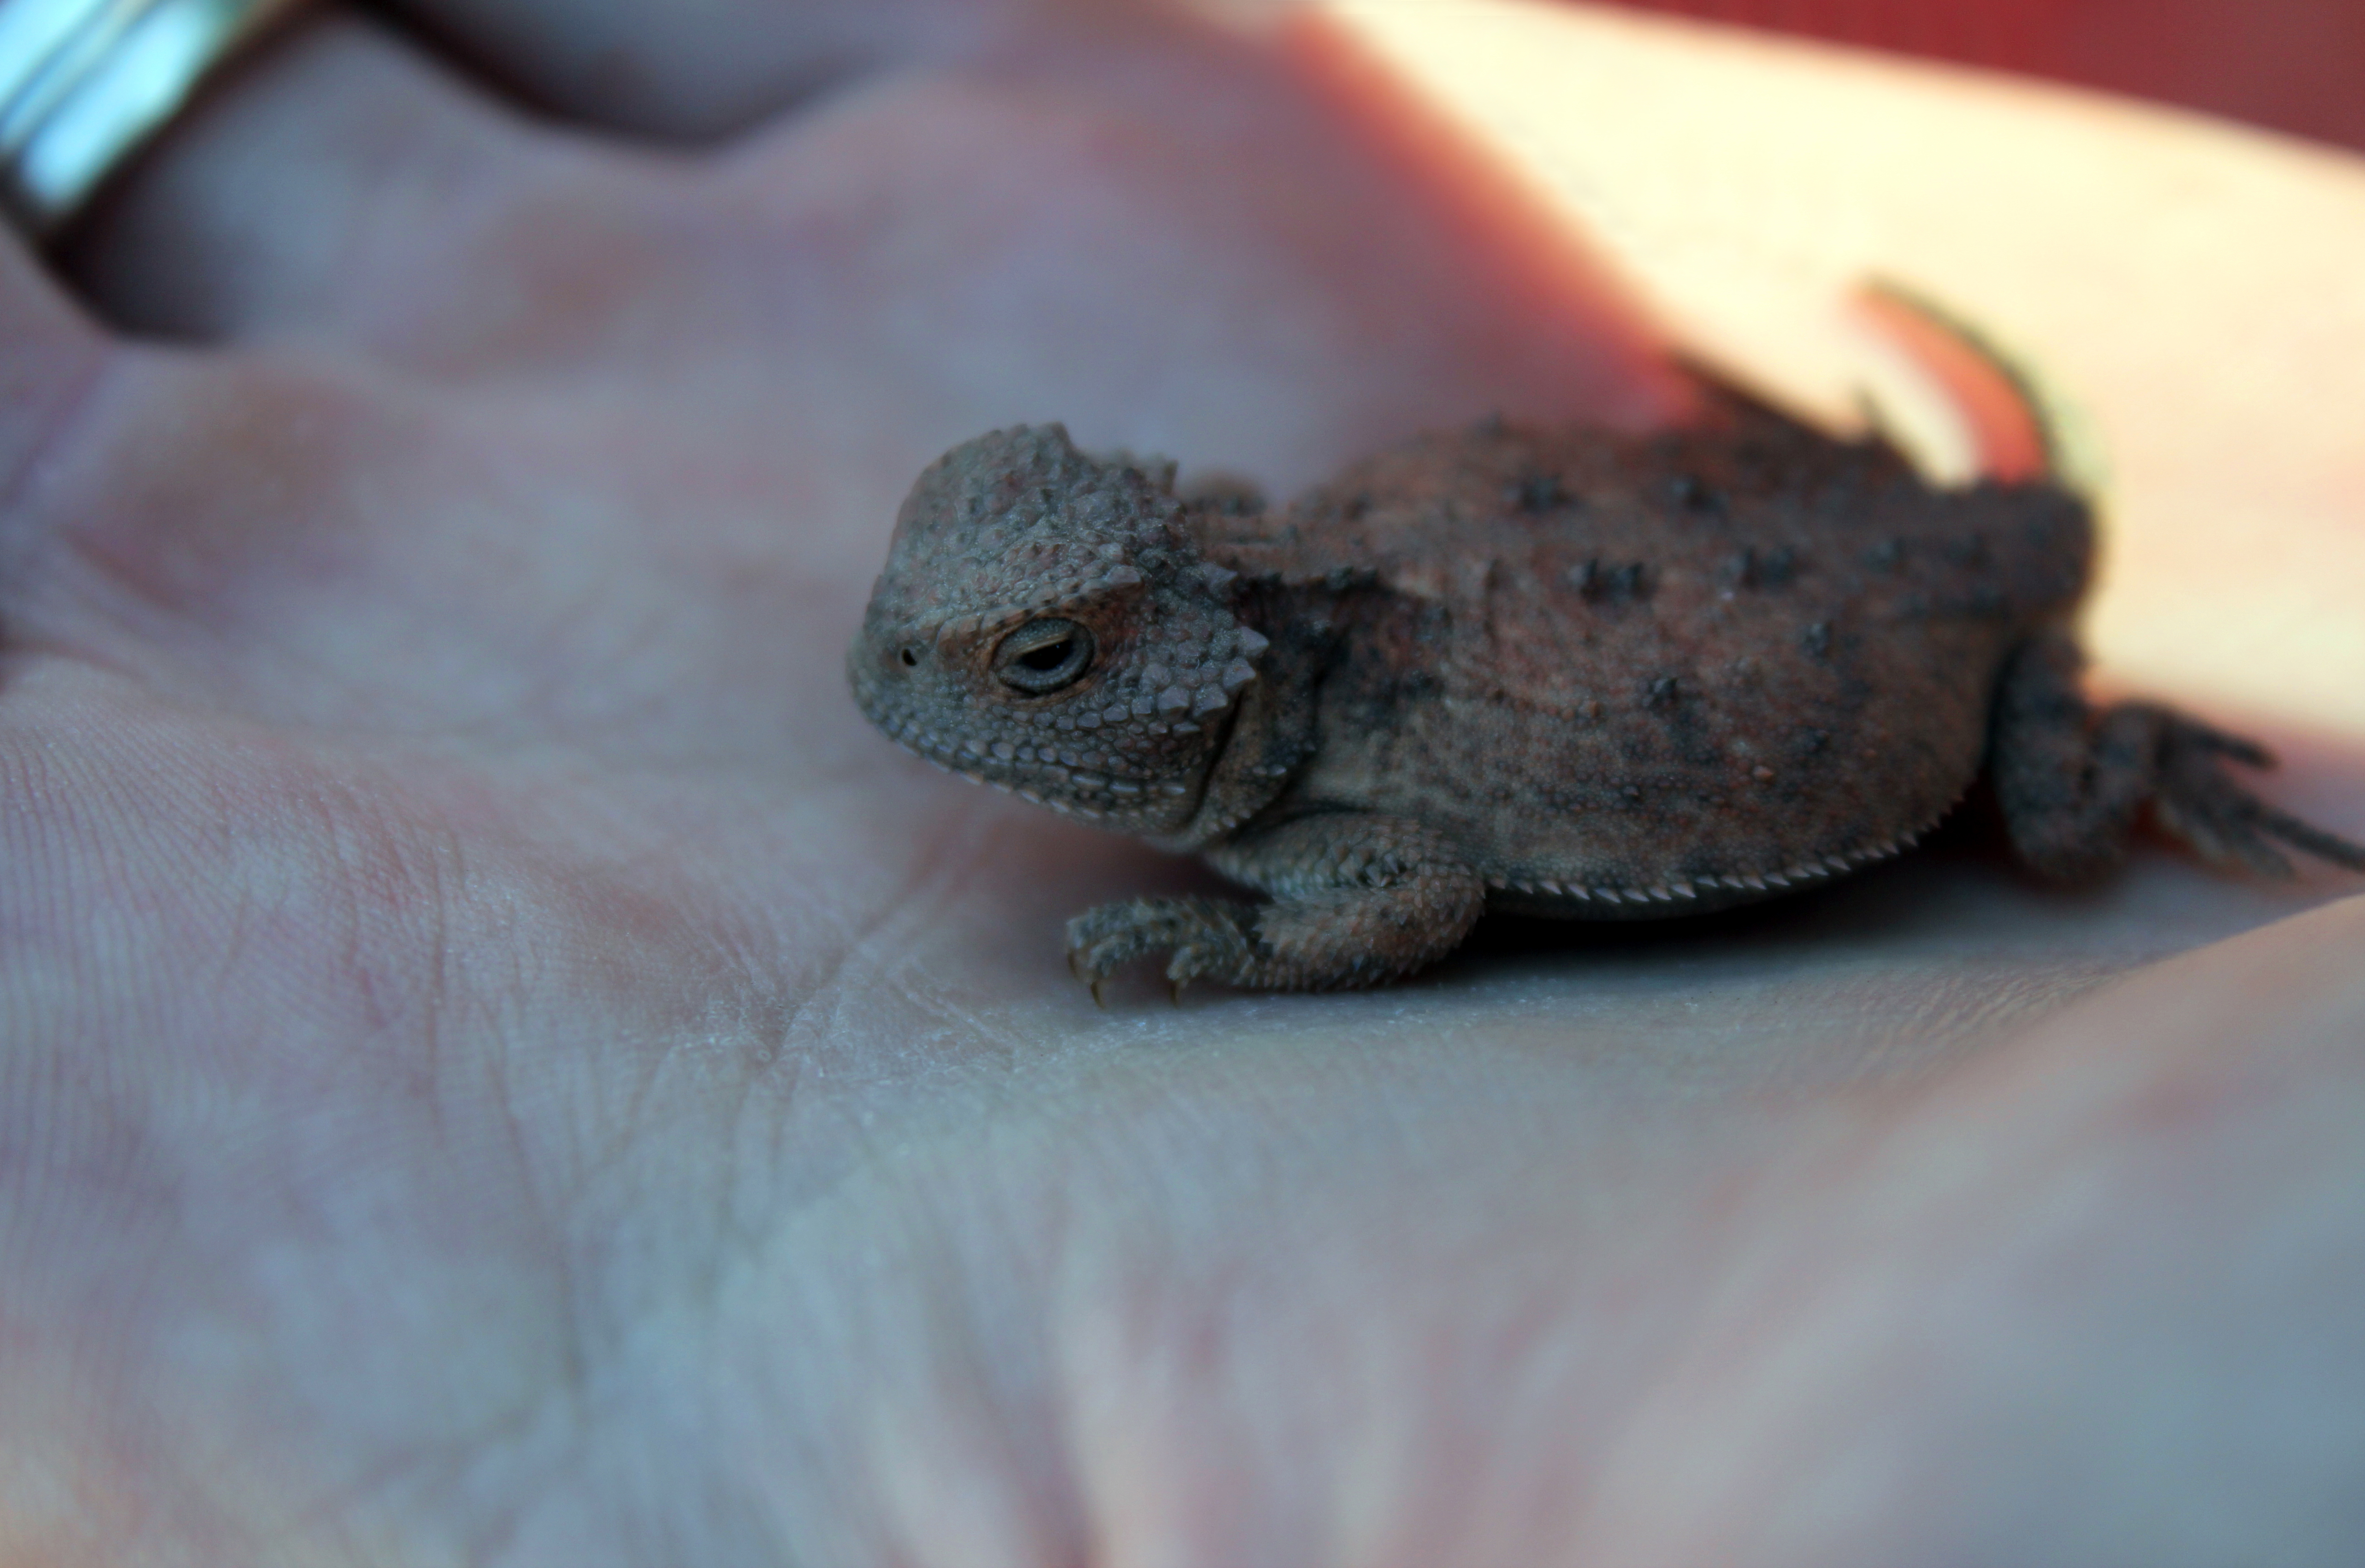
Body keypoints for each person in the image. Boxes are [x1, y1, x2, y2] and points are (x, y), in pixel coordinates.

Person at [3, 0, 2360, 1560]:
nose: (915, 673)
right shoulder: (1253, 602)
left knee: (2059, 817)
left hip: (1925, 651)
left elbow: (1401, 895)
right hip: (1697, 548)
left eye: (1033, 661)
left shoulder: (1359, 776)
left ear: (1170, 650)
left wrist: (1228, 951)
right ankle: (1857, 487)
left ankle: (2106, 725)